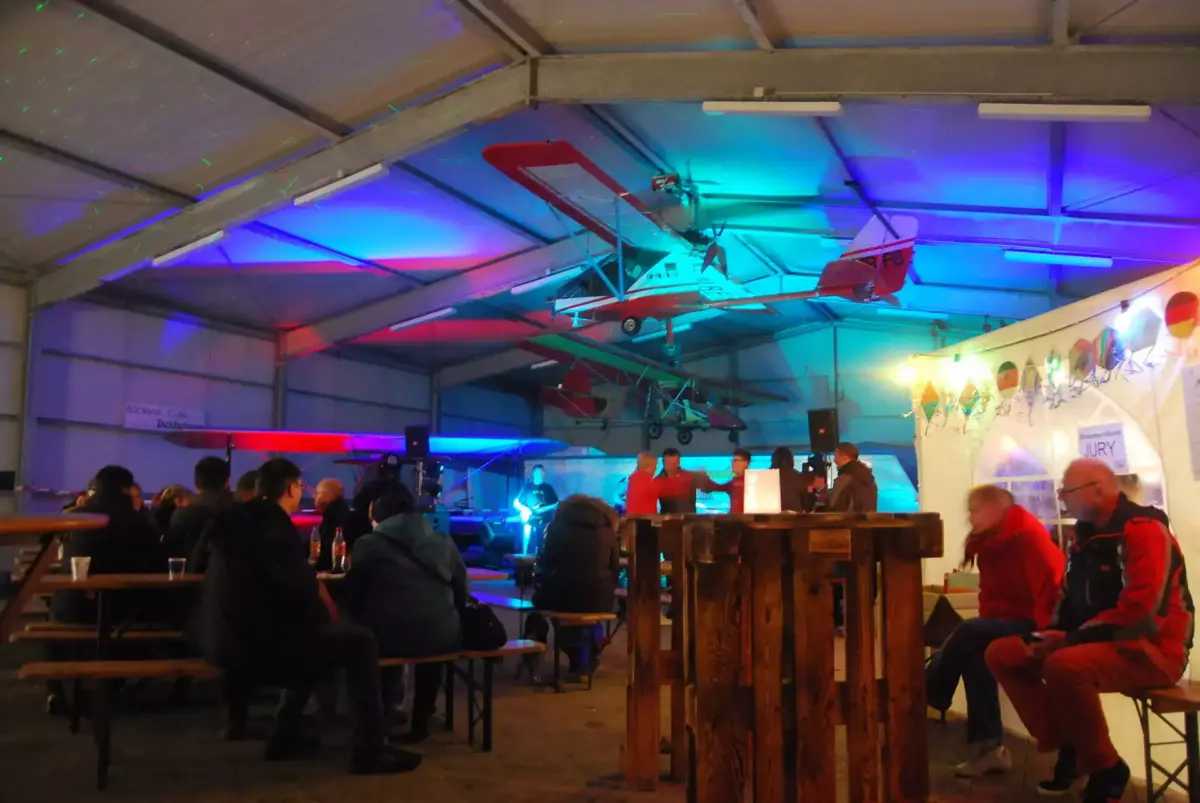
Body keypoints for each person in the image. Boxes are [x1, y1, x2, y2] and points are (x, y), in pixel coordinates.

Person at [985, 459, 1193, 801]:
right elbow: (1066, 597)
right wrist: (1052, 633)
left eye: (1067, 489)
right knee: (1003, 653)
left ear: (1098, 490)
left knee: (1064, 665)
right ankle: (1073, 745)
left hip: (1154, 649)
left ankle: (1106, 767)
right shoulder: (1082, 536)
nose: (1060, 496)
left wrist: (1070, 639)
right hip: (1091, 641)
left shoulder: (1143, 530)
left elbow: (1142, 613)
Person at [197, 457, 420, 774]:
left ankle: (285, 736)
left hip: (219, 639)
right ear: (291, 488)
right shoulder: (274, 528)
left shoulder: (233, 522)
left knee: (310, 635)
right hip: (255, 647)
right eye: (301, 486)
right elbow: (299, 592)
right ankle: (369, 749)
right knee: (359, 642)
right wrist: (326, 617)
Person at [926, 485, 1065, 778]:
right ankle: (990, 749)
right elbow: (989, 594)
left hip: (1036, 624)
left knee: (969, 630)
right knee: (975, 655)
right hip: (1009, 620)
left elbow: (1050, 590)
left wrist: (1045, 637)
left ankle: (929, 689)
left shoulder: (1027, 538)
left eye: (975, 510)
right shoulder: (989, 542)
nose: (970, 517)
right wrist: (986, 630)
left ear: (995, 508)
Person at [343, 485, 467, 742]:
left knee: (378, 637)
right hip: (443, 633)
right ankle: (423, 716)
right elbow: (462, 589)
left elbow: (353, 594)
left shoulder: (368, 544)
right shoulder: (443, 541)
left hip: (389, 636)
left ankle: (384, 717)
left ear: (377, 518)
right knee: (431, 636)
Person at [48, 466, 164, 713]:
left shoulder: (77, 516)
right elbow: (158, 563)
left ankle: (55, 691)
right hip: (124, 612)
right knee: (150, 620)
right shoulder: (137, 520)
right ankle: (115, 687)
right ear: (125, 488)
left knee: (53, 621)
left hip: (76, 606)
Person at [529, 496, 621, 677]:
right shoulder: (607, 530)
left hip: (562, 597)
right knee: (587, 613)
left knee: (540, 608)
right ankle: (586, 655)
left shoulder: (556, 527)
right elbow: (614, 567)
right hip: (599, 598)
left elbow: (547, 562)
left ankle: (537, 654)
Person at [514, 464, 559, 555]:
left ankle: (541, 557)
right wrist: (526, 510)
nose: (541, 474)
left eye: (542, 472)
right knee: (527, 537)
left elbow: (555, 504)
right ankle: (525, 555)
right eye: (539, 472)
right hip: (529, 518)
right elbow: (516, 502)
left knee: (543, 540)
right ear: (534, 473)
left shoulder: (548, 488)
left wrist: (546, 508)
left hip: (544, 519)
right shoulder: (527, 487)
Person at [313, 478, 352, 569]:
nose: (314, 496)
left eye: (317, 493)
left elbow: (326, 551)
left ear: (329, 495)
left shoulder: (334, 516)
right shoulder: (340, 511)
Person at [828, 442, 878, 513]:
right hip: (868, 519)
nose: (834, 460)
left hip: (850, 519)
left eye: (836, 456)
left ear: (844, 457)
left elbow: (833, 505)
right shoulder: (869, 477)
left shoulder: (845, 477)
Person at [657, 448, 703, 513]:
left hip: (689, 518)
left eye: (675, 463)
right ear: (663, 462)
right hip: (668, 518)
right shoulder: (657, 481)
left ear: (679, 462)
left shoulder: (690, 477)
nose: (672, 467)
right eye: (669, 463)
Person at [712, 449, 751, 513]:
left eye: (735, 461)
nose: (732, 463)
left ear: (745, 463)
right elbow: (717, 487)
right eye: (732, 461)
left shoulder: (752, 481)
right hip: (734, 517)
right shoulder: (733, 482)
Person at [771, 447, 808, 512]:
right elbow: (805, 501)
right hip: (794, 516)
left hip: (770, 515)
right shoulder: (797, 476)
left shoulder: (766, 476)